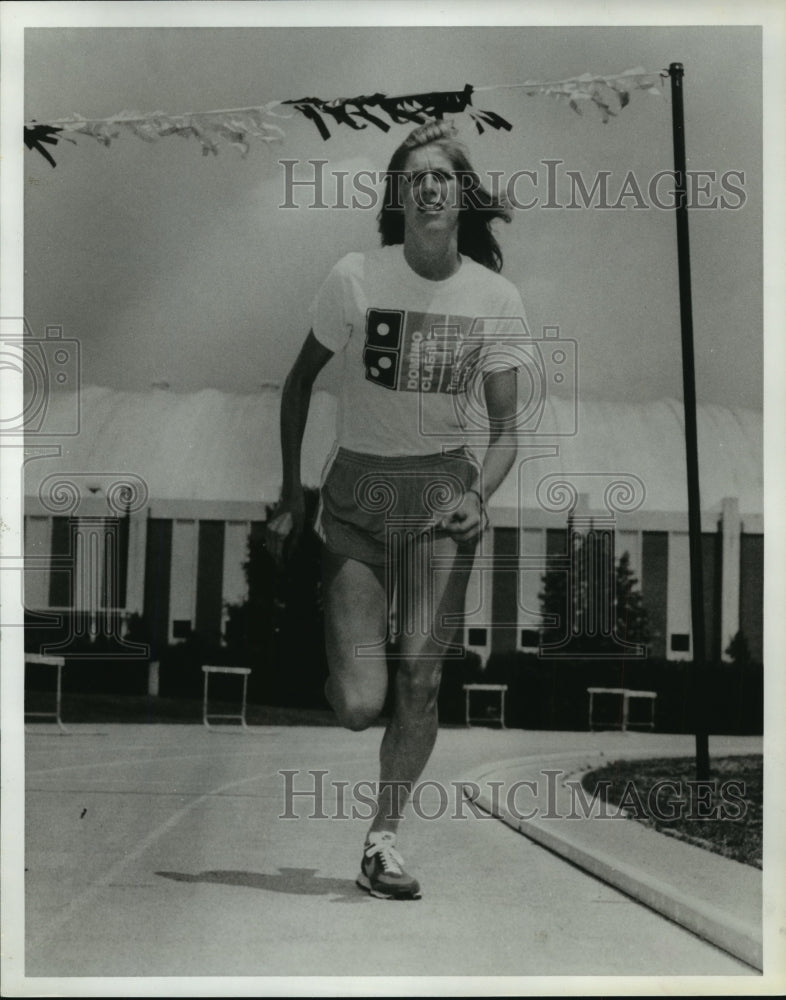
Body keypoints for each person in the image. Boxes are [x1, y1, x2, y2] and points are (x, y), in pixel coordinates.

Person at [266, 119, 526, 900]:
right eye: (414, 178)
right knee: (358, 704)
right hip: (356, 498)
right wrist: (290, 493)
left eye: (443, 176)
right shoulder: (354, 276)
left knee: (419, 681)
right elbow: (297, 384)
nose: (430, 188)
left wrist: (480, 498)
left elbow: (509, 430)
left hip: (442, 504)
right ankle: (344, 652)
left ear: (462, 194)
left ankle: (383, 840)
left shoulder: (495, 297)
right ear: (398, 198)